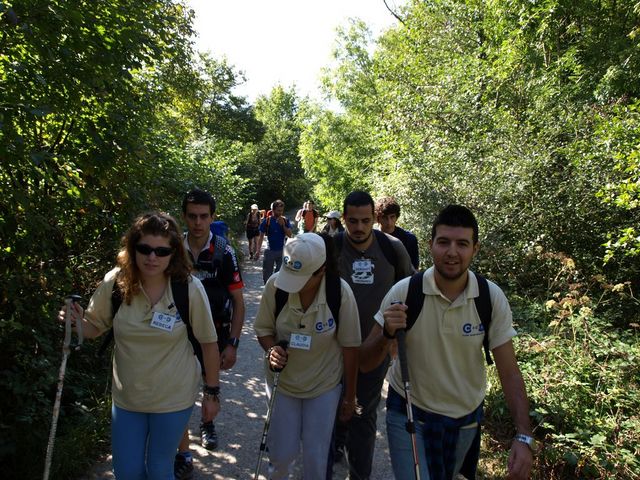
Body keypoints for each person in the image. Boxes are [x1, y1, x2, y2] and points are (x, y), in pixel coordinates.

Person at [360, 205, 535, 480]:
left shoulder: (490, 298)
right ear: (431, 246)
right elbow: (366, 362)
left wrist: (524, 435)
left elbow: (509, 371)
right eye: (444, 242)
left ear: (475, 249)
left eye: (462, 244)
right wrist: (386, 336)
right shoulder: (404, 292)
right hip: (408, 412)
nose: (452, 252)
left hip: (465, 420)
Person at [57, 212, 220, 479]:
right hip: (127, 398)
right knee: (126, 472)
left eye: (161, 251)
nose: (152, 257)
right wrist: (74, 321)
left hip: (173, 398)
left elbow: (208, 343)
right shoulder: (116, 283)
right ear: (132, 248)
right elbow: (95, 327)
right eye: (144, 248)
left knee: (159, 469)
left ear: (174, 253)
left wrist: (212, 394)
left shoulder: (188, 289)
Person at [254, 233, 361, 479]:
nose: (293, 283)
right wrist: (272, 350)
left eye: (301, 279)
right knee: (281, 457)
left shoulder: (340, 293)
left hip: (323, 386)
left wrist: (350, 396)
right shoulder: (275, 286)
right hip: (282, 384)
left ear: (321, 270)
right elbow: (263, 330)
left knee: (316, 457)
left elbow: (350, 347)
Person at [333, 191, 414, 480]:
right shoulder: (330, 247)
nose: (359, 227)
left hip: (375, 347)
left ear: (373, 219)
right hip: (330, 348)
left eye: (365, 221)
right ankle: (331, 457)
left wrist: (395, 337)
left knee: (362, 413)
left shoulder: (393, 249)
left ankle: (359, 475)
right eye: (352, 221)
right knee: (329, 410)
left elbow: (410, 291)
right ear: (343, 219)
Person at [177, 189, 246, 479]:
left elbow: (239, 302)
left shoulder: (223, 251)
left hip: (214, 332)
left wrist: (232, 343)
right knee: (177, 391)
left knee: (210, 384)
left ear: (212, 217)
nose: (197, 222)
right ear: (184, 216)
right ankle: (183, 453)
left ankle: (207, 424)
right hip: (177, 333)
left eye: (204, 216)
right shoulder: (173, 249)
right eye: (192, 216)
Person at [376, 196, 420, 270]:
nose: (389, 222)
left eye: (392, 217)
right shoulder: (371, 238)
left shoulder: (409, 239)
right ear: (378, 218)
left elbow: (414, 269)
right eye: (384, 217)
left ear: (397, 217)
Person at [256, 199, 293, 284]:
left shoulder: (285, 220)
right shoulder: (267, 221)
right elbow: (261, 237)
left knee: (280, 274)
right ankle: (267, 289)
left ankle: (276, 291)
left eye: (282, 210)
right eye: (278, 210)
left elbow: (290, 235)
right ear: (273, 210)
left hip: (282, 251)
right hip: (269, 251)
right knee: (267, 274)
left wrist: (283, 225)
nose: (280, 212)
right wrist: (258, 251)